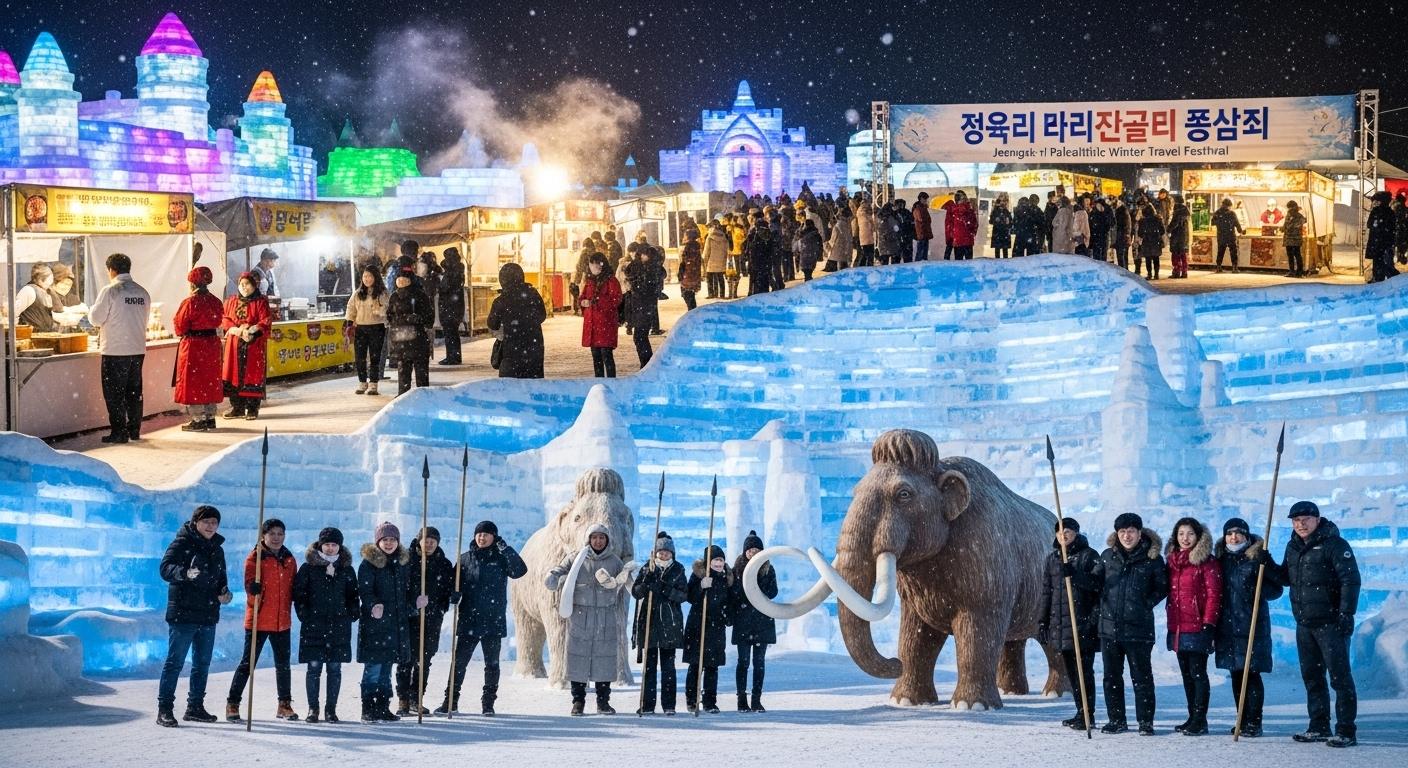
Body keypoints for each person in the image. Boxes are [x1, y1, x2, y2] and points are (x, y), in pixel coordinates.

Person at [1277, 501, 1360, 747]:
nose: (1301, 524)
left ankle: (1346, 730)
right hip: (1304, 623)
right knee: (1312, 677)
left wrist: (1346, 613)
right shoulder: (1293, 547)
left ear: (1317, 519)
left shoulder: (1335, 545)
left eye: (1306, 519)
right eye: (1296, 520)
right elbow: (1286, 578)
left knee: (1340, 678)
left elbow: (1350, 580)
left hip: (1331, 623)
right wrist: (1265, 562)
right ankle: (1319, 726)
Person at [546, 524, 635, 716]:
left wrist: (631, 577)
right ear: (588, 539)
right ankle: (578, 702)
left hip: (605, 617)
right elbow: (560, 570)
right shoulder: (576, 558)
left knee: (604, 661)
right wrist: (553, 577)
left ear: (607, 540)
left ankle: (603, 702)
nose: (598, 541)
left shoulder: (614, 561)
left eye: (602, 537)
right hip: (580, 616)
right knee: (577, 660)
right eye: (594, 537)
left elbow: (625, 581)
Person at [439, 521, 527, 716]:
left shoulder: (502, 558)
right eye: (479, 534)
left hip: (493, 620)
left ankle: (488, 704)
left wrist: (507, 550)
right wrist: (453, 594)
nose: (482, 537)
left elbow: (520, 571)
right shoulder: (465, 559)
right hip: (469, 619)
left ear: (494, 537)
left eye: (486, 534)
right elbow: (453, 584)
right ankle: (450, 701)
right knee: (459, 663)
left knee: (492, 665)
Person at [156, 505, 232, 727]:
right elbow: (165, 568)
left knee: (202, 664)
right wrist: (184, 573)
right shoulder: (182, 543)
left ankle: (195, 707)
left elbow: (221, 579)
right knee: (175, 663)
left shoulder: (217, 549)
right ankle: (165, 709)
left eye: (214, 522)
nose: (210, 526)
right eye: (206, 521)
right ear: (196, 522)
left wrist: (224, 593)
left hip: (208, 614)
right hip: (183, 614)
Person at [1093, 512, 1168, 735]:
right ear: (1117, 534)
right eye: (1122, 531)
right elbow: (1094, 583)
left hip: (1139, 629)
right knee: (1111, 678)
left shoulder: (1152, 559)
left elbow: (1162, 587)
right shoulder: (1107, 556)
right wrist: (1074, 575)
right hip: (1109, 629)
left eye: (1131, 531)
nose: (1127, 536)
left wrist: (1145, 604)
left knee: (1141, 678)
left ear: (1139, 533)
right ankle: (1117, 720)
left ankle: (1145, 722)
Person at [226, 518, 300, 722]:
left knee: (283, 665)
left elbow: (293, 586)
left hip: (282, 620)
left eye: (280, 534)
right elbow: (249, 585)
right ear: (263, 536)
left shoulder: (289, 559)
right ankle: (233, 703)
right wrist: (253, 588)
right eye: (272, 534)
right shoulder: (255, 558)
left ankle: (284, 704)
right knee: (247, 664)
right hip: (259, 619)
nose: (276, 538)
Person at [1213, 517, 1281, 738]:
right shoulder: (1220, 560)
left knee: (1251, 674)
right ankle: (1241, 719)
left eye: (1238, 533)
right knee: (1236, 674)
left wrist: (1264, 573)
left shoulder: (1256, 558)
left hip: (1252, 626)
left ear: (1246, 535)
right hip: (1228, 627)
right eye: (1229, 533)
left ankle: (1254, 722)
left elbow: (1276, 590)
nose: (1234, 537)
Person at [358, 522, 427, 723]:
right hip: (375, 626)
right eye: (385, 540)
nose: (389, 543)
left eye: (392, 540)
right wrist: (373, 605)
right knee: (373, 669)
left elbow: (406, 593)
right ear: (378, 541)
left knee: (386, 670)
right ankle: (368, 708)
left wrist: (415, 603)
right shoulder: (369, 564)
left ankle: (382, 707)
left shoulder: (402, 564)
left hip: (395, 626)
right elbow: (365, 591)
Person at [1037, 517, 1100, 730]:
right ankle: (1080, 711)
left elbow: (1098, 586)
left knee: (1084, 672)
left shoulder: (1089, 556)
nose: (1063, 535)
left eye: (1068, 531)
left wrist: (1075, 575)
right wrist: (1043, 621)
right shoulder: (1052, 559)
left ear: (1076, 533)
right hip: (1061, 626)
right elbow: (1047, 593)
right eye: (1060, 532)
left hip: (1082, 625)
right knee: (1073, 673)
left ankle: (1088, 714)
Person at [293, 526, 359, 724]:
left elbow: (353, 595)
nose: (330, 548)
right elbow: (299, 594)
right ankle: (313, 709)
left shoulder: (346, 569)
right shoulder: (308, 568)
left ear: (340, 547)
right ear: (320, 545)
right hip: (314, 626)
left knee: (334, 668)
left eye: (334, 545)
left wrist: (352, 613)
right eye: (327, 544)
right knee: (314, 668)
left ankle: (331, 710)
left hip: (339, 626)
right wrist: (305, 615)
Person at [1164, 517, 1221, 736]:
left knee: (1198, 673)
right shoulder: (1173, 561)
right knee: (1187, 674)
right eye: (1181, 534)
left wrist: (1209, 623)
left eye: (1190, 534)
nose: (1185, 538)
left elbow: (1214, 594)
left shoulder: (1207, 562)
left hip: (1198, 626)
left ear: (1198, 536)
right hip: (1178, 626)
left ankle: (1200, 719)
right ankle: (1192, 717)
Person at [88, 253, 152, 442]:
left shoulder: (111, 291)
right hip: (137, 349)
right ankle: (134, 430)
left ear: (111, 270)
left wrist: (91, 310)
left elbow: (95, 319)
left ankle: (119, 432)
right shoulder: (142, 292)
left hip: (115, 350)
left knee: (114, 394)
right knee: (134, 392)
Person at [395, 527, 455, 716]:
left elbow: (447, 589)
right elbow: (399, 588)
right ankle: (403, 700)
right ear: (419, 541)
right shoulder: (406, 560)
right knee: (406, 659)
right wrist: (413, 604)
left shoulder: (444, 564)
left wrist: (447, 600)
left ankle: (416, 698)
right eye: (426, 540)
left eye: (433, 541)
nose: (429, 544)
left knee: (424, 660)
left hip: (432, 619)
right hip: (409, 618)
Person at [631, 531, 688, 715]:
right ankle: (647, 704)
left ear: (672, 553)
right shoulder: (648, 568)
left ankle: (669, 705)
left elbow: (683, 596)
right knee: (649, 668)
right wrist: (645, 583)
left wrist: (664, 588)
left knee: (668, 668)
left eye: (667, 552)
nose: (663, 555)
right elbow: (636, 592)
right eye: (661, 552)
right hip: (649, 624)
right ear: (655, 553)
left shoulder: (678, 570)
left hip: (669, 625)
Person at [729, 530, 776, 712]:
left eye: (756, 550)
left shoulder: (768, 569)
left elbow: (773, 592)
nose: (753, 553)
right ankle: (741, 699)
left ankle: (756, 699)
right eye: (750, 550)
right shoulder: (736, 570)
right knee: (743, 662)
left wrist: (759, 583)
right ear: (745, 552)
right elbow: (733, 594)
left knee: (759, 663)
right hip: (743, 622)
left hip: (762, 622)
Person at [173, 267, 224, 432]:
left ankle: (198, 419)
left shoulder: (190, 302)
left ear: (193, 284)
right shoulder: (216, 301)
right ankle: (210, 416)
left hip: (194, 346)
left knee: (193, 382)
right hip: (212, 345)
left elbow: (180, 326)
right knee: (210, 380)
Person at [683, 544, 731, 714]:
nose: (718, 563)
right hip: (698, 625)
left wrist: (727, 616)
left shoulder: (727, 578)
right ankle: (692, 700)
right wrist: (701, 587)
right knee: (696, 666)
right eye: (715, 560)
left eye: (721, 560)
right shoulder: (698, 574)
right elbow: (689, 597)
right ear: (708, 562)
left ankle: (710, 701)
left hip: (716, 628)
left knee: (712, 666)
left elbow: (730, 601)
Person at [219, 271, 271, 420]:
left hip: (253, 345)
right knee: (233, 375)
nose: (244, 287)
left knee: (252, 376)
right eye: (241, 284)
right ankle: (238, 408)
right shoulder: (231, 301)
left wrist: (252, 331)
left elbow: (265, 321)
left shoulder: (261, 302)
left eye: (247, 284)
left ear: (254, 285)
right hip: (234, 344)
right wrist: (235, 329)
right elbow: (225, 318)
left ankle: (253, 408)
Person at [486, 262, 547, 379]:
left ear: (502, 280)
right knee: (533, 382)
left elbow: (492, 324)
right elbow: (542, 315)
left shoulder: (501, 300)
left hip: (511, 348)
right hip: (534, 345)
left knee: (510, 383)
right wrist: (528, 322)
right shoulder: (533, 294)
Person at [386, 266, 434, 395]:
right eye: (399, 279)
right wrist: (403, 320)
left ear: (410, 280)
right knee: (403, 373)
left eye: (404, 279)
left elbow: (429, 318)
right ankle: (403, 397)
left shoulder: (420, 295)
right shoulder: (394, 296)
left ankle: (423, 396)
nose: (401, 282)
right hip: (401, 341)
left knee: (421, 373)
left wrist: (418, 319)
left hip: (418, 340)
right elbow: (389, 316)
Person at [346, 265, 388, 395]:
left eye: (369, 276)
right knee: (360, 357)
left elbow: (387, 309)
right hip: (361, 328)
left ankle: (373, 384)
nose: (367, 279)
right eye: (365, 276)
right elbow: (350, 308)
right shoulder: (358, 293)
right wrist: (349, 323)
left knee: (375, 357)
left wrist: (380, 310)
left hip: (377, 327)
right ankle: (362, 382)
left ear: (376, 277)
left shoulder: (383, 293)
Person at [579, 252, 622, 378]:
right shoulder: (590, 281)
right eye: (591, 264)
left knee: (606, 354)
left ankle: (611, 381)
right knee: (596, 355)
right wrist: (582, 302)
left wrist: (596, 302)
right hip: (592, 323)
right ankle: (598, 381)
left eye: (595, 264)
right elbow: (583, 296)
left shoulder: (611, 280)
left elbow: (616, 299)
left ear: (601, 265)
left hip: (605, 323)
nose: (592, 267)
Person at [624, 245, 662, 367]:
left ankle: (647, 364)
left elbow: (643, 288)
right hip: (643, 307)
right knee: (640, 337)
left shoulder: (648, 269)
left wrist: (634, 286)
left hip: (643, 307)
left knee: (640, 337)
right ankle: (647, 364)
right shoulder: (651, 268)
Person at [437, 247, 466, 364]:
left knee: (450, 333)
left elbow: (445, 288)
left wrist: (439, 287)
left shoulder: (452, 272)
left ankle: (452, 357)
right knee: (452, 333)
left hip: (450, 307)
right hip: (455, 306)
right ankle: (454, 356)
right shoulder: (458, 270)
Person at [14, 262, 60, 333]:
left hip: (45, 335)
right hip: (31, 335)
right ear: (40, 279)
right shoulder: (28, 290)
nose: (51, 282)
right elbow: (14, 313)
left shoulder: (46, 292)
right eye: (50, 278)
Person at [1365, 190, 1399, 283]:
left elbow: (1369, 224)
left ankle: (1379, 281)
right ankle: (1393, 281)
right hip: (1386, 243)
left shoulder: (1376, 211)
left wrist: (1377, 227)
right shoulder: (1391, 212)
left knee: (1379, 264)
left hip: (1377, 243)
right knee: (1387, 264)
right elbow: (1393, 228)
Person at [1212, 198, 1246, 273]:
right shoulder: (1232, 213)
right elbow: (1237, 224)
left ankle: (1218, 267)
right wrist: (1241, 231)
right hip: (1231, 235)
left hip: (1221, 235)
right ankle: (1234, 267)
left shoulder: (1217, 213)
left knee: (1220, 251)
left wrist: (1219, 224)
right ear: (1229, 205)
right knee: (1233, 251)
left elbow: (1212, 223)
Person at [745, 214, 774, 294]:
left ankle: (753, 293)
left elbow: (750, 249)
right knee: (764, 283)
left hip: (756, 263)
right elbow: (770, 248)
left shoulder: (754, 235)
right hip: (765, 262)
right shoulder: (768, 234)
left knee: (756, 283)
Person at [1136, 203, 1166, 279]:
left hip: (1147, 241)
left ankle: (1149, 274)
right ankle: (1156, 274)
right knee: (1156, 258)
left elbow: (1140, 233)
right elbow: (1162, 231)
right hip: (1156, 240)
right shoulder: (1158, 219)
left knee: (1148, 258)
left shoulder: (1142, 221)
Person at [946, 191, 978, 260]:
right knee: (968, 262)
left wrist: (951, 237)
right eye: (964, 199)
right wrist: (972, 233)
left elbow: (949, 225)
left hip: (958, 240)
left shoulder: (953, 210)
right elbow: (974, 224)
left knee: (958, 262)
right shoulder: (969, 210)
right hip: (968, 240)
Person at [678, 227, 703, 310]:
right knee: (690, 296)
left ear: (689, 237)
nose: (683, 237)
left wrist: (682, 273)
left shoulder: (690, 247)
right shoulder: (695, 246)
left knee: (688, 295)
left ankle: (692, 313)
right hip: (692, 274)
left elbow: (686, 262)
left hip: (688, 275)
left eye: (685, 235)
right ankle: (692, 312)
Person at [703, 221, 729, 299]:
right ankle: (722, 294)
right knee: (720, 278)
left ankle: (712, 294)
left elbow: (707, 251)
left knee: (710, 278)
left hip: (711, 261)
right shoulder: (724, 237)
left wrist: (705, 259)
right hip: (721, 260)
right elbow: (726, 249)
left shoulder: (710, 237)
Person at [1168, 196, 1191, 279]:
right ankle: (1184, 271)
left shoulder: (1178, 210)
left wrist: (1168, 229)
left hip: (1177, 235)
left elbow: (1174, 223)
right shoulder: (1186, 211)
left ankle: (1176, 271)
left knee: (1175, 254)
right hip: (1184, 235)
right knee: (1183, 254)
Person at [1284, 201, 1308, 278]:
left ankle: (1299, 272)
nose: (1290, 209)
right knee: (1290, 255)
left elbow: (1296, 226)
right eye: (1289, 208)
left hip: (1295, 239)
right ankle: (1291, 271)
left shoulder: (1299, 216)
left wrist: (1289, 225)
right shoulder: (1288, 215)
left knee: (1297, 255)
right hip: (1288, 238)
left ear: (1295, 207)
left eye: (1291, 207)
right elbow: (1285, 225)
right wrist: (1283, 228)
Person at [1089, 197, 1113, 263]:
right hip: (1096, 238)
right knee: (1097, 257)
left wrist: (1104, 213)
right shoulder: (1093, 212)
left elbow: (1111, 223)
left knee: (1103, 256)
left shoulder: (1108, 211)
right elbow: (1090, 225)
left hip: (1104, 237)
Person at [912, 192, 934, 261]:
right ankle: (919, 263)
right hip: (922, 232)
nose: (926, 201)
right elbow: (921, 219)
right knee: (921, 252)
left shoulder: (922, 207)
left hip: (924, 232)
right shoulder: (918, 208)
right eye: (925, 199)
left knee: (923, 251)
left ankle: (922, 262)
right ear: (921, 199)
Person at [1112, 197, 1132, 270]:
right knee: (1123, 255)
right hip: (1123, 236)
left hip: (1121, 237)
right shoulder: (1123, 211)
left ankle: (1123, 270)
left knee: (1121, 255)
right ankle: (1125, 270)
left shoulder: (1121, 212)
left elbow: (1124, 225)